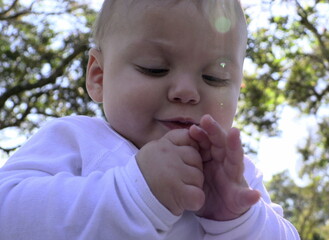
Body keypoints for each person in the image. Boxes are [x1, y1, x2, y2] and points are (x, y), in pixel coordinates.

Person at [0, 0, 300, 239]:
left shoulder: (238, 174)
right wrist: (136, 195)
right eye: (154, 68)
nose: (186, 91)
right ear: (99, 76)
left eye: (215, 77)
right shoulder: (76, 139)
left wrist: (240, 221)